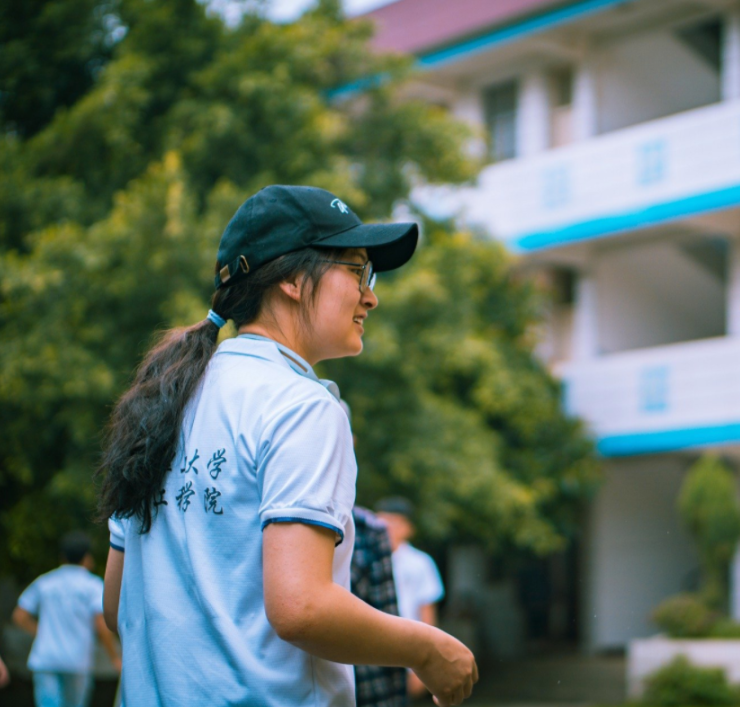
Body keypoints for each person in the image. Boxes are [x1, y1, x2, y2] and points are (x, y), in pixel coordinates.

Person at [96, 185, 477, 707]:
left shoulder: (162, 402)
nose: (371, 296)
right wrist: (428, 649)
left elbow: (117, 604)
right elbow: (302, 608)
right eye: (357, 271)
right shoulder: (301, 406)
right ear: (292, 280)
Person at [11, 530, 121, 707]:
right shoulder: (92, 585)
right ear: (87, 557)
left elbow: (19, 615)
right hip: (76, 660)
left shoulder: (45, 582)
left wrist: (41, 633)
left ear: (62, 557)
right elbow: (100, 623)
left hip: (46, 658)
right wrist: (115, 657)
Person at [375, 497, 445, 698]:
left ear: (408, 528)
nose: (387, 528)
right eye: (382, 522)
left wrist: (424, 664)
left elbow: (427, 614)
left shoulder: (420, 562)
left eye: (394, 522)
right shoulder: (364, 558)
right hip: (369, 646)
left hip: (406, 650)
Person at [351, 506, 408, 707]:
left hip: (370, 668)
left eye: (395, 522)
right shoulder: (367, 531)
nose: (391, 527)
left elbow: (387, 607)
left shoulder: (368, 530)